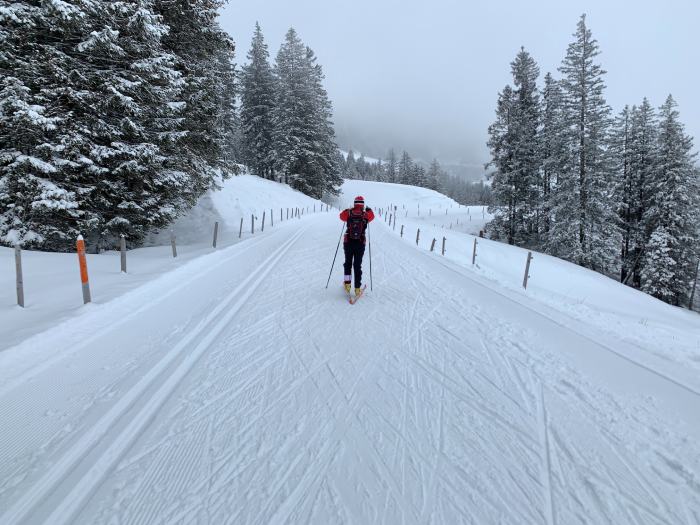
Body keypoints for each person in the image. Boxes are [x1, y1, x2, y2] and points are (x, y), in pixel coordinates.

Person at [339, 196, 375, 295]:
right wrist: (369, 210)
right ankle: (357, 288)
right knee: (357, 265)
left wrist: (348, 209)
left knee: (348, 264)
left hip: (348, 242)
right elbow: (372, 216)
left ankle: (347, 284)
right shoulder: (366, 214)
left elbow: (341, 216)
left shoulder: (349, 213)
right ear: (363, 204)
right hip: (360, 243)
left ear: (354, 203)